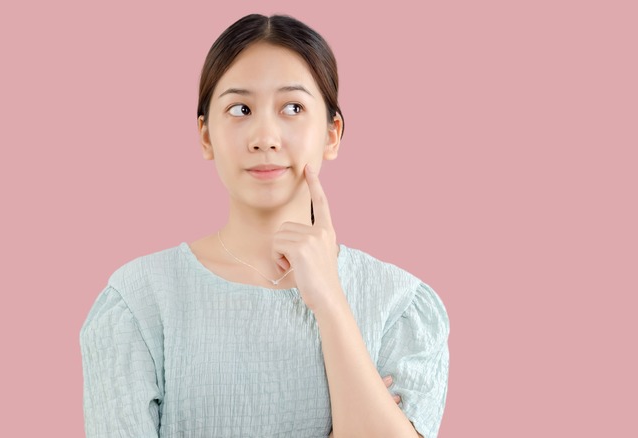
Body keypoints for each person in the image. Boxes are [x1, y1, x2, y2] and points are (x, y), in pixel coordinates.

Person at [80, 13, 449, 438]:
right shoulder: (140, 302)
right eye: (240, 109)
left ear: (332, 134)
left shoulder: (400, 305)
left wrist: (330, 300)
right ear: (206, 135)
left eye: (293, 108)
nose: (265, 137)